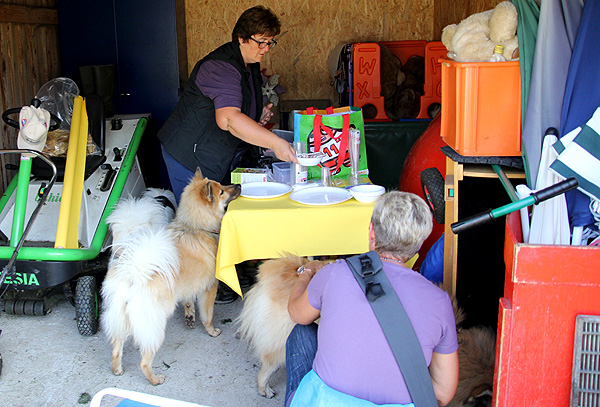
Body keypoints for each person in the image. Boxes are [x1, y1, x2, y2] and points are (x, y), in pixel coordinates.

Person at [286, 191, 459, 406]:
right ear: (419, 242)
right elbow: (443, 394)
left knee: (302, 332)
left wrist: (306, 274)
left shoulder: (335, 274)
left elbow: (296, 313)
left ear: (371, 231)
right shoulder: (439, 301)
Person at [158, 5, 297, 202]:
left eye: (270, 43)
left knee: (217, 216)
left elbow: (237, 107)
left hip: (217, 152)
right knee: (199, 220)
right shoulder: (220, 67)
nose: (266, 49)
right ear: (241, 38)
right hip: (189, 155)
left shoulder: (249, 65)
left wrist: (255, 116)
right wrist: (275, 142)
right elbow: (228, 119)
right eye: (261, 42)